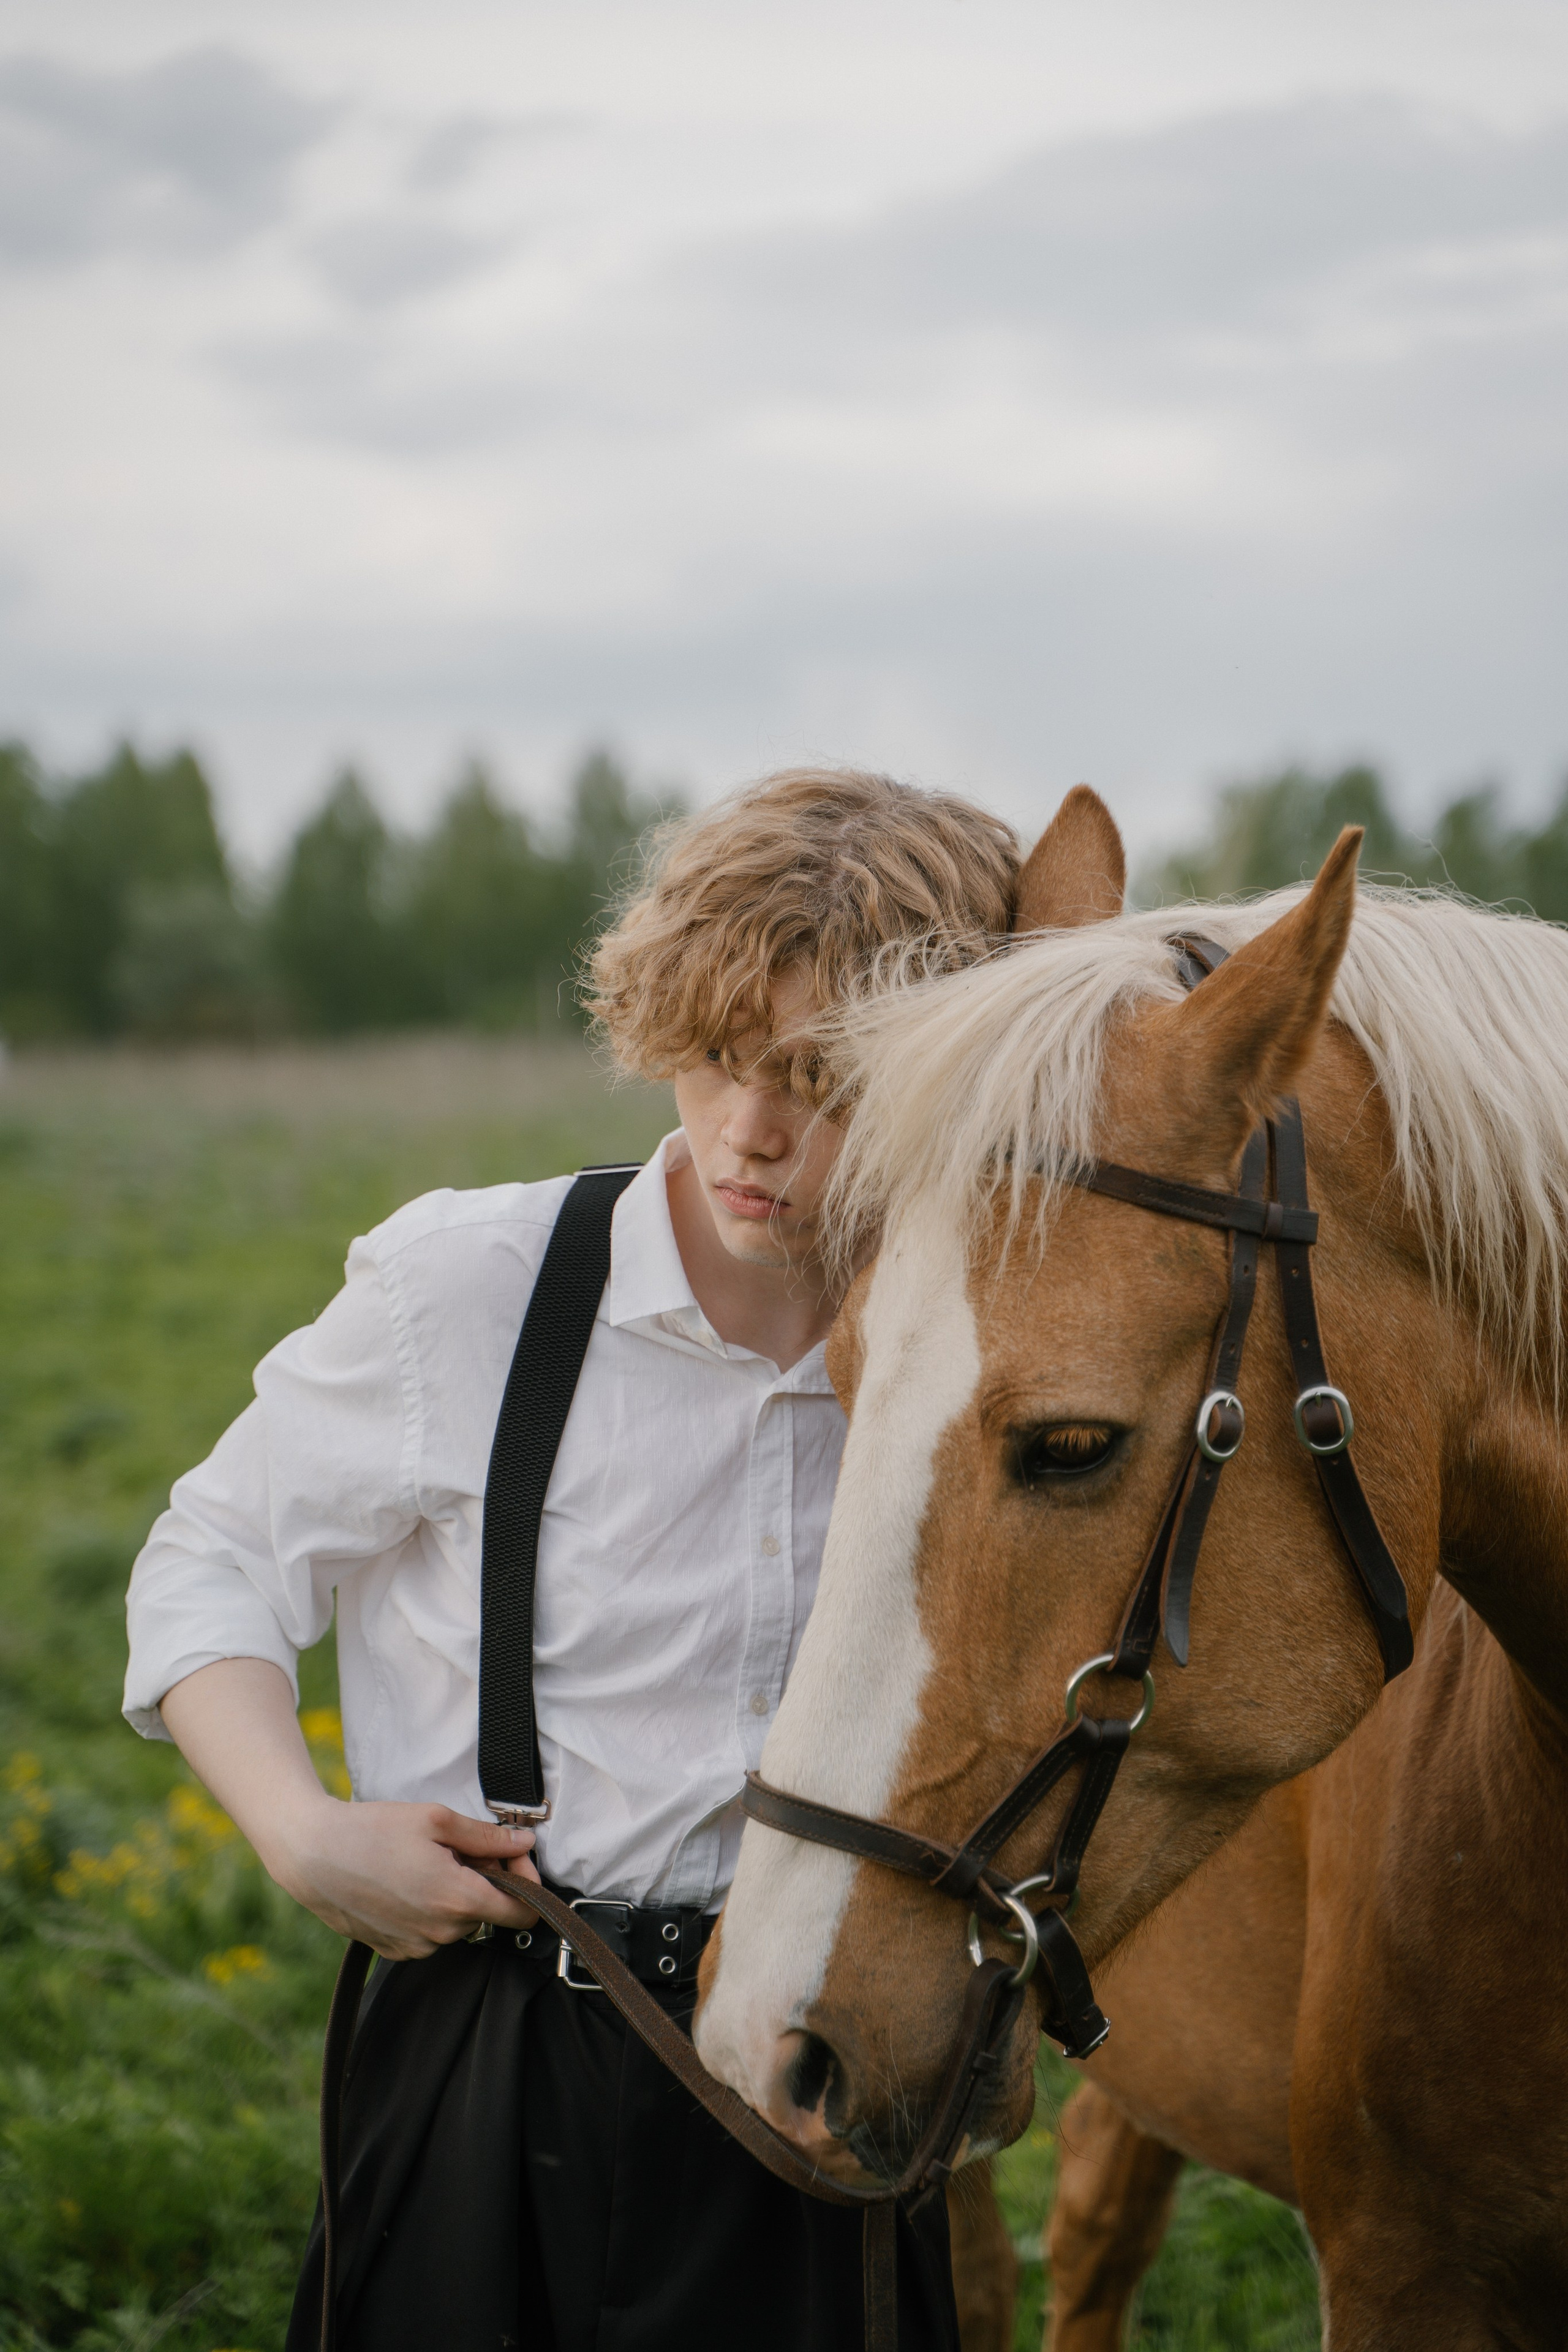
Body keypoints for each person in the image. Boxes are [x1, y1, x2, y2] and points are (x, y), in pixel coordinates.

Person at [123, 766, 1020, 2352]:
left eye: (822, 1083)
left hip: (811, 2052)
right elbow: (212, 1557)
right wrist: (298, 1829)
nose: (753, 1133)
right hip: (494, 2035)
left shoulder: (966, 1351)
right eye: (719, 1059)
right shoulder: (468, 1287)